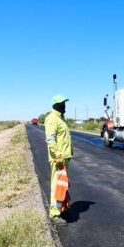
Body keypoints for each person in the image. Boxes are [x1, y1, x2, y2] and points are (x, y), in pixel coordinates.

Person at [44, 94, 73, 226]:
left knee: (63, 185)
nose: (64, 105)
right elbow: (50, 140)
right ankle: (54, 214)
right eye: (62, 104)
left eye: (64, 103)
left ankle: (62, 208)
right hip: (58, 159)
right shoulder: (52, 119)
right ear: (56, 105)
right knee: (57, 185)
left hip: (65, 158)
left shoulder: (61, 119)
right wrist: (58, 156)